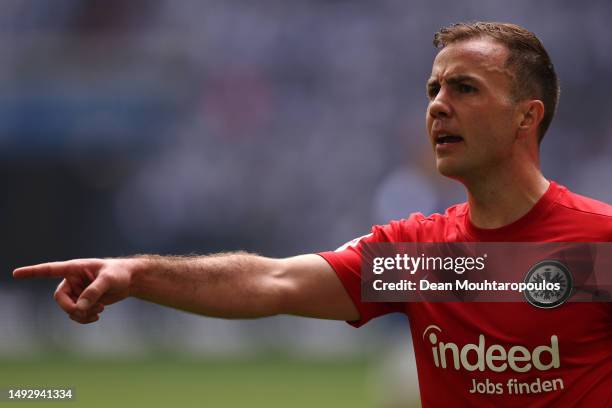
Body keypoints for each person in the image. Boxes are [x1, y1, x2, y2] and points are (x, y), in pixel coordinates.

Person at [13, 22, 612, 406]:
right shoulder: (422, 257)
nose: (437, 107)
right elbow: (274, 280)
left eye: (465, 89)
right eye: (433, 90)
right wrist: (138, 274)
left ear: (527, 117)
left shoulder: (597, 245)